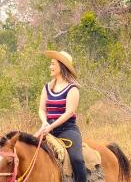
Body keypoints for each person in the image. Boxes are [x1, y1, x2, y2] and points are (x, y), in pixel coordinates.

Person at [34, 50, 87, 182]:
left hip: (67, 130)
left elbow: (69, 113)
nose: (50, 67)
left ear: (61, 66)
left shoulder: (72, 88)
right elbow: (41, 109)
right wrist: (45, 122)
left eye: (53, 64)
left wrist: (51, 125)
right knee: (27, 149)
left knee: (77, 159)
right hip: (48, 127)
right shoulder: (47, 87)